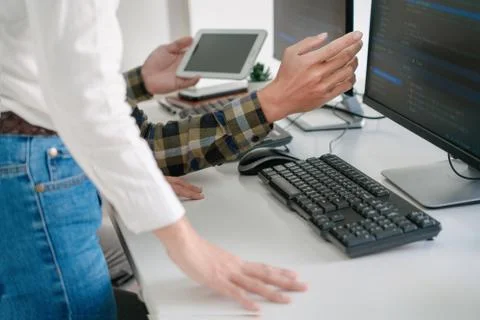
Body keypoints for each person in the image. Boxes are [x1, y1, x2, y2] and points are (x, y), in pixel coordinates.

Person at [0, 1, 362, 319]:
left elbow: (62, 83)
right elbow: (90, 108)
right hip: (33, 165)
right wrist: (186, 244)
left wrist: (139, 83)